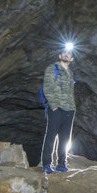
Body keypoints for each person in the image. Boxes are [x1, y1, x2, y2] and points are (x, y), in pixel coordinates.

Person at [40, 45, 76, 173]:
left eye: (69, 54)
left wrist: (73, 108)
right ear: (60, 56)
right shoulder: (52, 69)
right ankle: (46, 164)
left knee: (65, 138)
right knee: (51, 137)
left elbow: (71, 92)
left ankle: (61, 164)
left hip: (69, 109)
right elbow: (47, 87)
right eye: (64, 53)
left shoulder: (70, 73)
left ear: (71, 58)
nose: (66, 55)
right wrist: (53, 104)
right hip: (56, 108)